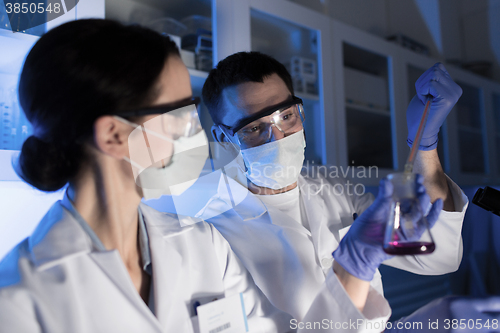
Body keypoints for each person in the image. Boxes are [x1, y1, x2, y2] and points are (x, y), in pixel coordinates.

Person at [0, 19, 426, 333]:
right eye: (177, 112)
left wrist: (356, 265)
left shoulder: (199, 245)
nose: (195, 129)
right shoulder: (19, 300)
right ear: (114, 134)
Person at [196, 51, 468, 321]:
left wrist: (423, 144)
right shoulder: (210, 230)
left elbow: (440, 256)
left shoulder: (339, 190)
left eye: (286, 116)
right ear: (223, 137)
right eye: (254, 128)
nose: (277, 137)